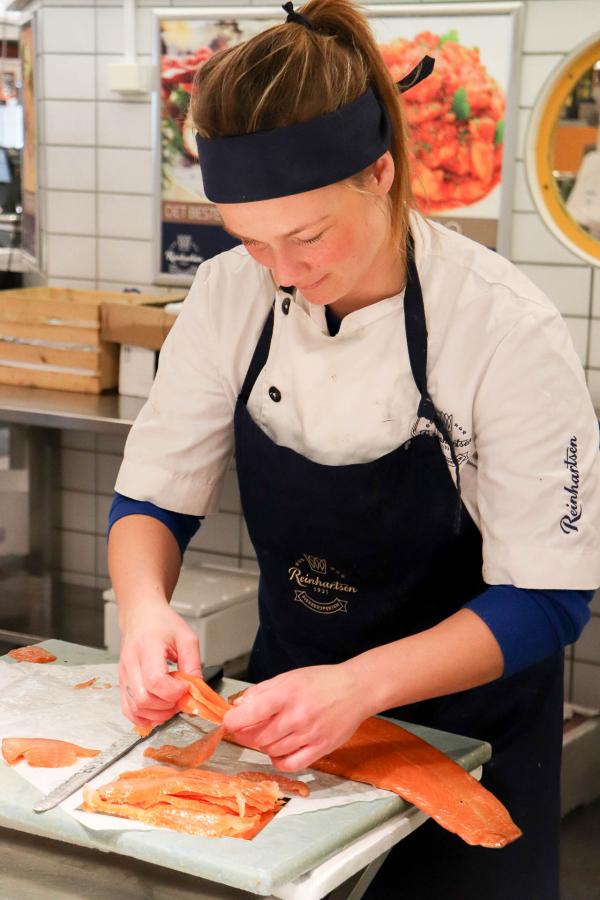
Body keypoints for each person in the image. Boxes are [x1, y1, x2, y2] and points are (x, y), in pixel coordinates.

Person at [107, 2, 600, 897]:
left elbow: (554, 598)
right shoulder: (228, 296)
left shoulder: (502, 326)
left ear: (381, 174)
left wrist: (360, 687)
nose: (282, 272)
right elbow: (152, 500)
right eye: (250, 239)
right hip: (290, 720)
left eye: (307, 236)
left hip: (469, 738)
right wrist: (144, 612)